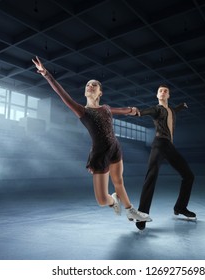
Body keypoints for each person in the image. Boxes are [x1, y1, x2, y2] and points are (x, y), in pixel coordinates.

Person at [32, 56, 151, 223]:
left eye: (94, 84)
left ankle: (131, 211)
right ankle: (113, 200)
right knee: (102, 200)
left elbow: (119, 110)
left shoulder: (106, 108)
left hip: (115, 148)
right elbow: (61, 93)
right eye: (88, 85)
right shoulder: (82, 111)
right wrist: (46, 74)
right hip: (100, 154)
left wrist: (131, 110)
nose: (90, 86)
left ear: (100, 92)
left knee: (119, 181)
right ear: (85, 91)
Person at [135, 84, 195, 230]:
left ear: (168, 95)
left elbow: (176, 109)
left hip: (170, 146)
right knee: (151, 177)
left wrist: (183, 105)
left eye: (165, 91)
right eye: (160, 91)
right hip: (159, 144)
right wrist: (134, 111)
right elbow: (144, 112)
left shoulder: (172, 110)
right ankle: (142, 215)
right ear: (157, 95)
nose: (162, 92)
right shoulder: (156, 109)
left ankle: (180, 207)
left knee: (189, 176)